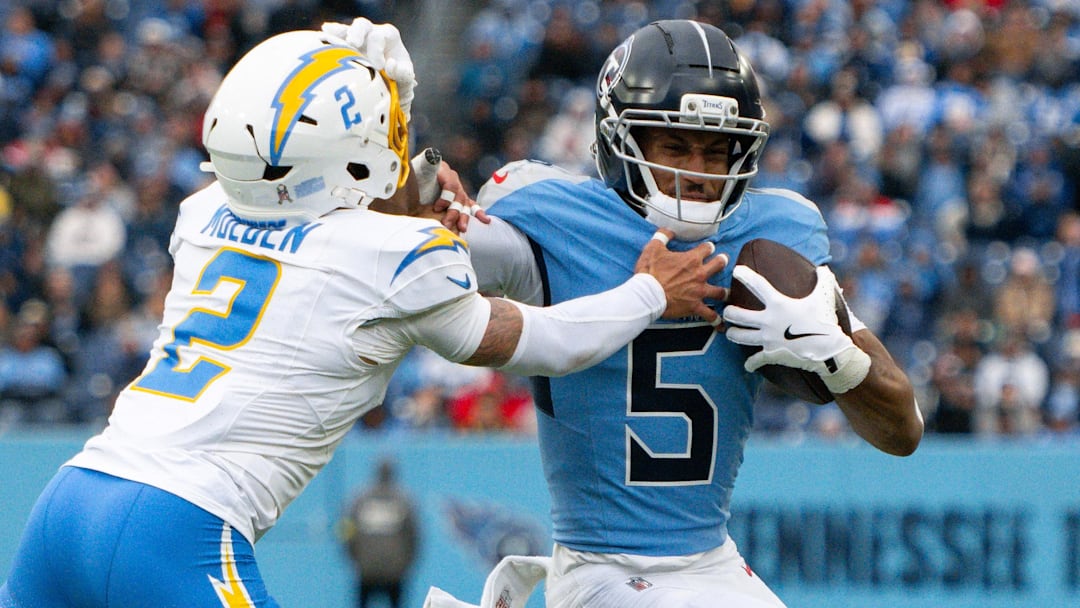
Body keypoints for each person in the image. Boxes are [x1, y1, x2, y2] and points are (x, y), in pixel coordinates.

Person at [0, 27, 728, 608]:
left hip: (69, 501)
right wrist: (648, 296)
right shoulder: (396, 256)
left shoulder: (203, 213)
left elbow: (339, 205)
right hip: (179, 528)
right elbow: (538, 340)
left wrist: (388, 110)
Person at [336, 18, 923, 608]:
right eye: (675, 145)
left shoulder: (776, 236)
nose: (697, 172)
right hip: (598, 567)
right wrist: (383, 121)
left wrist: (838, 358)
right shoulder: (553, 220)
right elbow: (393, 253)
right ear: (622, 142)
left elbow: (904, 430)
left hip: (712, 561)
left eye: (716, 150)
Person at [341, 458, 419, 608]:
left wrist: (355, 562)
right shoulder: (404, 501)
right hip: (394, 572)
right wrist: (405, 566)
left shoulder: (359, 500)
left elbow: (347, 532)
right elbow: (414, 537)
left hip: (366, 571)